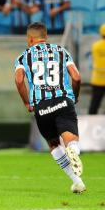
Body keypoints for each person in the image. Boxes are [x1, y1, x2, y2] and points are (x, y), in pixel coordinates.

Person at [15, 22, 86, 194]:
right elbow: (76, 77)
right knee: (71, 139)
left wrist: (26, 102)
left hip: (42, 106)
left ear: (31, 38)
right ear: (45, 36)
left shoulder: (23, 57)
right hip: (63, 100)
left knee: (54, 144)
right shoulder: (62, 51)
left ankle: (77, 182)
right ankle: (73, 150)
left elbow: (19, 80)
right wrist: (74, 96)